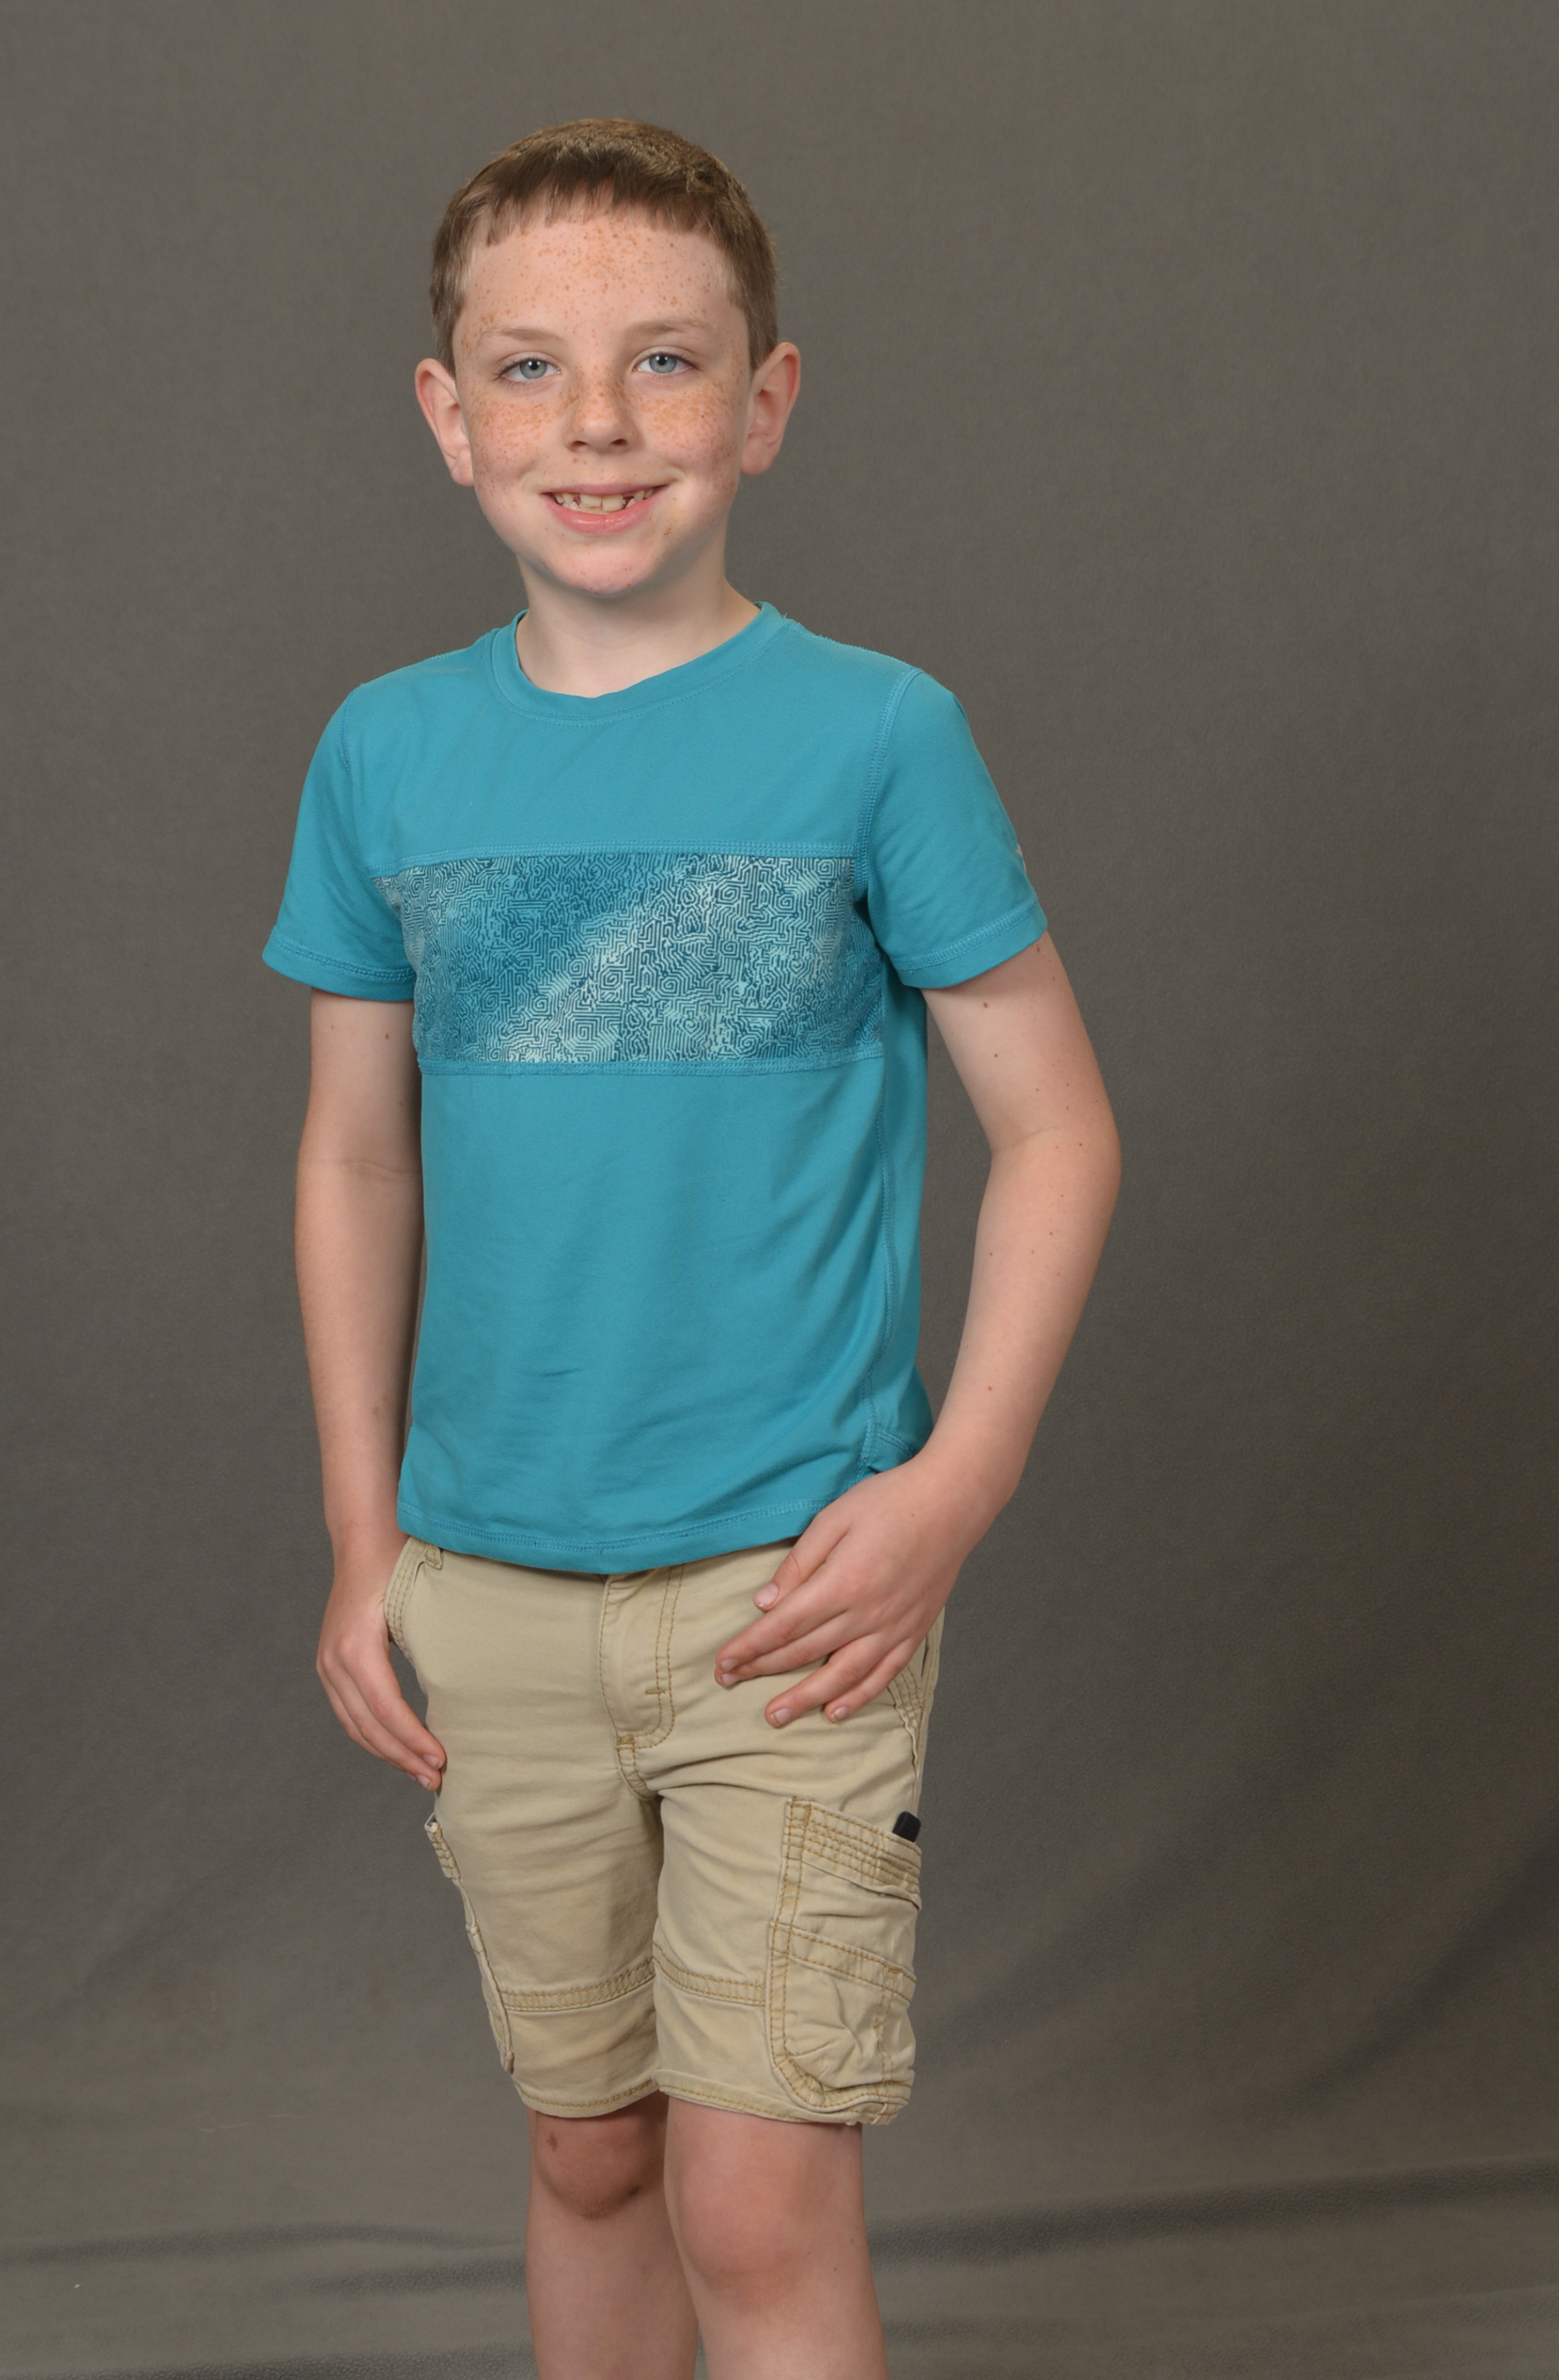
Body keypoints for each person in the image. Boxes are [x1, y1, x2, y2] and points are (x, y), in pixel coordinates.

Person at [266, 117, 1120, 2380]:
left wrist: (956, 1485)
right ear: (448, 415)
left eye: (665, 362)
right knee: (592, 2156)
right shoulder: (384, 755)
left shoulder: (878, 736)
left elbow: (1057, 1128)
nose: (601, 423)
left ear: (767, 402)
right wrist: (363, 1540)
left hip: (793, 1597)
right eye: (530, 370)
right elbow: (355, 1163)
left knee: (758, 2188)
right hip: (492, 1588)